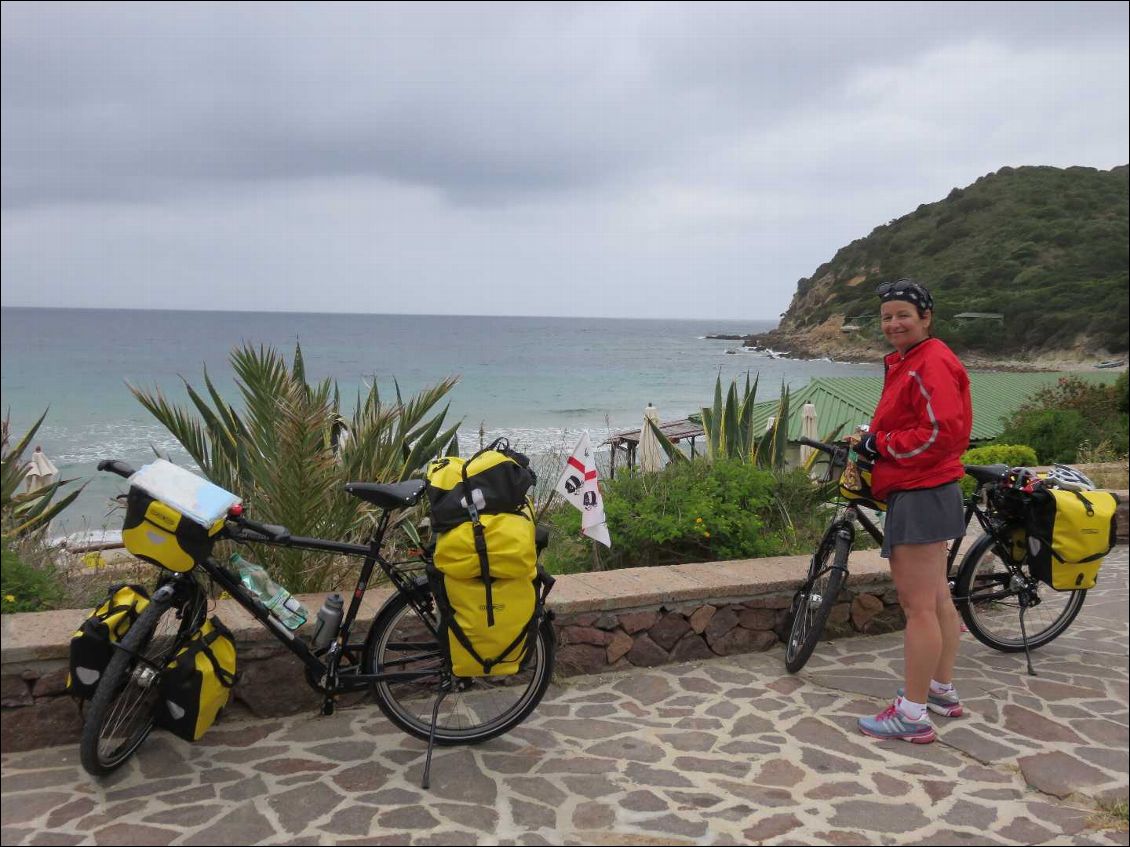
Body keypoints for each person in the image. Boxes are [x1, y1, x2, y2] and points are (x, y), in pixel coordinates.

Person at [852, 278, 972, 744]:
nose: (894, 323)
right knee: (939, 598)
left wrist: (875, 443)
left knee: (918, 607)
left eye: (903, 314)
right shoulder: (917, 359)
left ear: (926, 317)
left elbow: (938, 433)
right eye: (886, 317)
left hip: (919, 491)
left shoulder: (929, 362)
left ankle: (912, 714)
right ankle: (941, 690)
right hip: (934, 488)